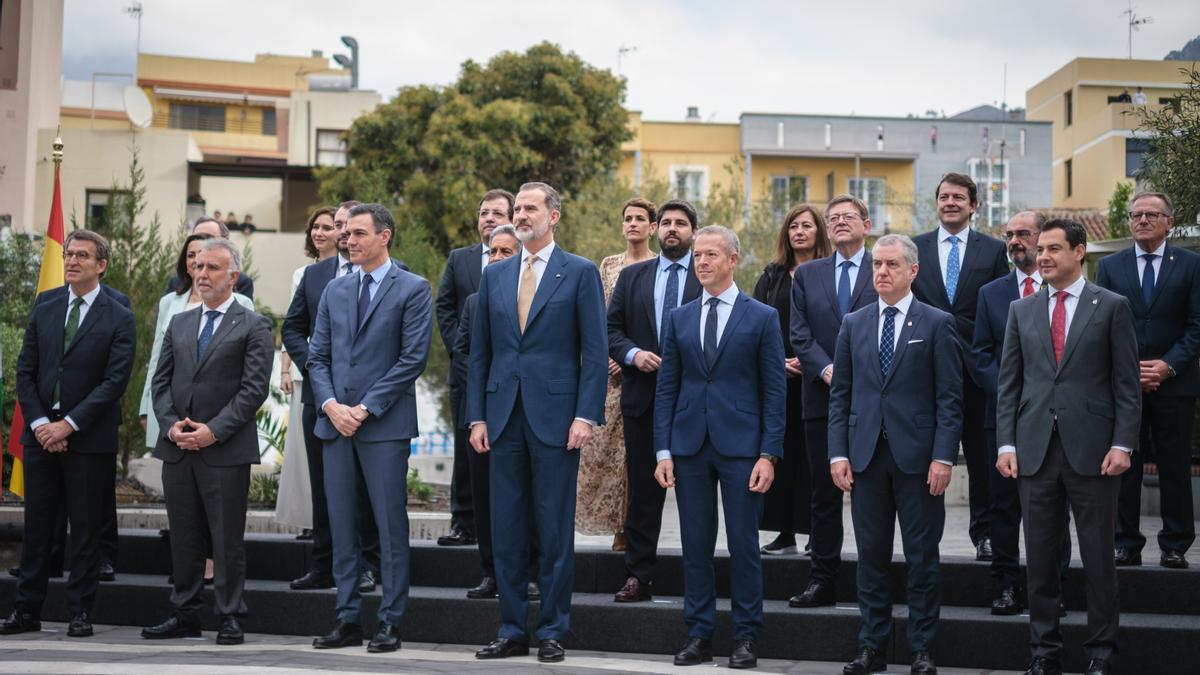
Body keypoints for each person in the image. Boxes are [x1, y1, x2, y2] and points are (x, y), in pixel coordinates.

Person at [468, 182, 607, 664]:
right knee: (505, 530)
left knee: (552, 531)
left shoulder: (581, 273)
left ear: (554, 217)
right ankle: (510, 629)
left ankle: (552, 630)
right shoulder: (495, 275)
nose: (522, 215)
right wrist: (476, 417)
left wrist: (586, 415)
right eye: (519, 208)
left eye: (531, 208)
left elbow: (596, 352)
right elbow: (480, 353)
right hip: (503, 417)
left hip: (558, 420)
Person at [996, 219, 1140, 675]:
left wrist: (1123, 444)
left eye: (1054, 249)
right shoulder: (1022, 311)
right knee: (1039, 561)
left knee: (1098, 558)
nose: (1043, 257)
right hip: (1035, 450)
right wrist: (1006, 444)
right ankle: (1043, 653)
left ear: (1080, 252)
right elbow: (1009, 386)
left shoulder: (1112, 306)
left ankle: (1100, 654)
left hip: (1095, 452)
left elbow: (1126, 385)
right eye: (1041, 249)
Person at [654, 225, 786, 670]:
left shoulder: (762, 317)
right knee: (695, 545)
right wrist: (662, 450)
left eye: (711, 254)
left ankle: (746, 637)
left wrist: (769, 454)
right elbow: (667, 387)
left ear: (734, 259)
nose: (702, 262)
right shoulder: (679, 317)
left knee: (744, 546)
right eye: (697, 256)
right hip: (689, 446)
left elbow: (774, 392)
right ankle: (699, 633)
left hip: (742, 448)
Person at [830, 234, 962, 675]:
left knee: (922, 557)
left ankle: (921, 648)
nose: (881, 272)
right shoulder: (854, 323)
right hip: (866, 457)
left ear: (913, 271)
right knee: (871, 557)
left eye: (890, 265)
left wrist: (944, 457)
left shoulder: (937, 323)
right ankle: (872, 646)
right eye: (877, 265)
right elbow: (841, 396)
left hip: (920, 461)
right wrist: (838, 454)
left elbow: (950, 399)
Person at [308, 203, 432, 653]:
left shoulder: (414, 289)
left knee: (389, 525)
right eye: (348, 234)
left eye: (359, 233)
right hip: (335, 425)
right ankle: (346, 619)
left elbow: (412, 359)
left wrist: (364, 407)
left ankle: (390, 621)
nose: (349, 240)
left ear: (385, 236)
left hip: (382, 425)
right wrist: (329, 405)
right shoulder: (335, 291)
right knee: (342, 525)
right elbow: (317, 356)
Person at [1, 230, 136, 639]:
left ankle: (80, 611)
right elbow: (28, 370)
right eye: (69, 254)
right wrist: (42, 424)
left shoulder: (119, 315)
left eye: (82, 256)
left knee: (85, 528)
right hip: (41, 437)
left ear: (102, 264)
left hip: (88, 439)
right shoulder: (46, 304)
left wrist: (69, 424)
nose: (72, 261)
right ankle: (27, 611)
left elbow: (114, 382)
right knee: (38, 528)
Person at [143, 238, 273, 646]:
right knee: (183, 535)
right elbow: (159, 382)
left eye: (212, 268)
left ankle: (230, 615)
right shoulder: (179, 322)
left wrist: (212, 431)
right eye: (197, 266)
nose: (201, 274)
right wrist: (170, 426)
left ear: (232, 276)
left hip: (224, 450)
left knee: (225, 537)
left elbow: (254, 391)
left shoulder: (254, 325)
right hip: (178, 448)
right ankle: (185, 614)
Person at [973, 212, 1073, 615]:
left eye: (1023, 234)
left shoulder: (1067, 293)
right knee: (1002, 507)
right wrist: (1012, 392)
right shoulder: (991, 293)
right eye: (1009, 235)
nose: (1015, 241)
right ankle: (1008, 587)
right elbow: (980, 354)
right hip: (1002, 417)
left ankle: (1054, 589)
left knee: (1053, 506)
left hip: (1054, 419)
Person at [282, 200, 382, 594]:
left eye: (348, 225)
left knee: (364, 487)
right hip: (320, 399)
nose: (342, 232)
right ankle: (323, 564)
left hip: (367, 404)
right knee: (323, 486)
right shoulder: (314, 276)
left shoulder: (389, 274)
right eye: (338, 225)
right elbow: (292, 329)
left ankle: (367, 565)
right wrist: (313, 367)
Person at [1097, 191, 1200, 570]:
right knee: (1125, 463)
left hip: (1175, 384)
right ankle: (1126, 542)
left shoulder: (1191, 265)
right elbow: (1103, 324)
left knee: (1175, 467)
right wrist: (1131, 370)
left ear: (1169, 222)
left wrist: (1167, 366)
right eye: (1136, 214)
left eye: (1151, 215)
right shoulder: (1111, 266)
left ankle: (1175, 544)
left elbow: (1197, 325)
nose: (1141, 220)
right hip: (1125, 385)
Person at [607, 198, 702, 603]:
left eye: (681, 223)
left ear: (693, 232)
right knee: (644, 496)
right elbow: (609, 328)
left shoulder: (708, 273)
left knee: (696, 494)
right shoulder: (634, 277)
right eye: (666, 223)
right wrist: (632, 354)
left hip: (697, 401)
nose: (672, 229)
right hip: (643, 397)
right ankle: (638, 576)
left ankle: (700, 579)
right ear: (656, 229)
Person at [911, 172, 1008, 561]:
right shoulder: (915, 247)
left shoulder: (994, 250)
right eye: (944, 196)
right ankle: (921, 535)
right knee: (923, 457)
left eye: (958, 197)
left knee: (983, 459)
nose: (950, 202)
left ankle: (984, 533)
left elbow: (1001, 308)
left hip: (978, 370)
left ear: (973, 205)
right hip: (925, 370)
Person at [788, 194, 878, 608]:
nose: (840, 223)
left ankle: (872, 582)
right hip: (820, 400)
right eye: (833, 218)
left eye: (848, 217)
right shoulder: (808, 275)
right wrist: (826, 370)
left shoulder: (884, 266)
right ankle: (821, 579)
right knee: (823, 495)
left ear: (867, 223)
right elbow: (800, 335)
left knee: (872, 495)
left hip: (874, 400)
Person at [453, 225, 536, 601]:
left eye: (506, 252)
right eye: (493, 252)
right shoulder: (475, 301)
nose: (498, 258)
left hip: (530, 414)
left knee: (529, 499)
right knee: (486, 499)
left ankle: (530, 573)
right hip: (485, 416)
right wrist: (479, 412)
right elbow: (464, 356)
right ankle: (491, 572)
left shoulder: (536, 294)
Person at [435, 188, 514, 549]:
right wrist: (462, 352)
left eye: (497, 213)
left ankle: (498, 527)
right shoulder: (460, 258)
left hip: (510, 373)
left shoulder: (518, 259)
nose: (489, 219)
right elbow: (445, 309)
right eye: (484, 213)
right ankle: (462, 522)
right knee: (467, 450)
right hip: (465, 373)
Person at [578, 197, 658, 549]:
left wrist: (632, 356)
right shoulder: (609, 265)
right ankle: (614, 523)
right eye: (628, 218)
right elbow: (599, 316)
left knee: (635, 456)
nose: (633, 224)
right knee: (605, 454)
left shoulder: (661, 266)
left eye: (640, 218)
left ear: (652, 227)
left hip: (644, 370)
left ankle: (630, 528)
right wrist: (608, 355)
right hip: (610, 374)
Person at [754, 204, 829, 556]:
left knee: (815, 459)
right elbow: (753, 323)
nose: (799, 232)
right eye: (793, 226)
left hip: (819, 380)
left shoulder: (828, 274)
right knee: (781, 455)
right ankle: (785, 532)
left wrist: (814, 361)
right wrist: (776, 362)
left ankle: (818, 532)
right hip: (779, 378)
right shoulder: (772, 275)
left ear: (819, 232)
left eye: (807, 226)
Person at [276, 207, 339, 536]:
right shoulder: (305, 274)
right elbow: (293, 325)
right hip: (308, 371)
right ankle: (313, 521)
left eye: (328, 227)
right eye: (316, 227)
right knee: (305, 454)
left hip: (340, 376)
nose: (320, 233)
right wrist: (288, 369)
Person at [166, 217, 254, 299]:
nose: (201, 243)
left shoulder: (241, 283)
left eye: (209, 239)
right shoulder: (176, 284)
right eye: (197, 237)